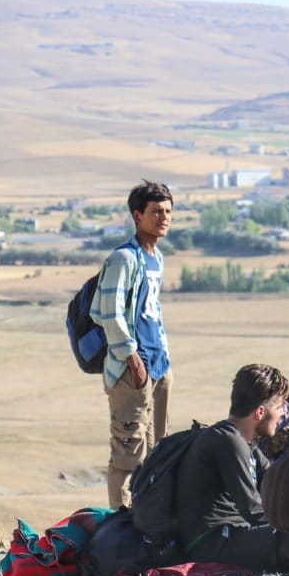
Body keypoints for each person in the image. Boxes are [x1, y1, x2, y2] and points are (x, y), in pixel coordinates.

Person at [91, 180, 174, 509]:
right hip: (131, 371)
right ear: (137, 216)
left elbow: (151, 311)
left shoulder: (157, 258)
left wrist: (163, 360)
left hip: (158, 367)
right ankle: (119, 533)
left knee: (158, 452)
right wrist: (132, 359)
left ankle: (148, 524)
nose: (164, 218)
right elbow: (108, 313)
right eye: (156, 212)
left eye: (168, 211)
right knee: (128, 456)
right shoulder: (124, 258)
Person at [175, 364, 289, 572]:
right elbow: (253, 510)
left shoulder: (246, 443)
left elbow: (276, 483)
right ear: (260, 412)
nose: (281, 415)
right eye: (279, 408)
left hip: (232, 534)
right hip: (210, 543)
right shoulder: (227, 441)